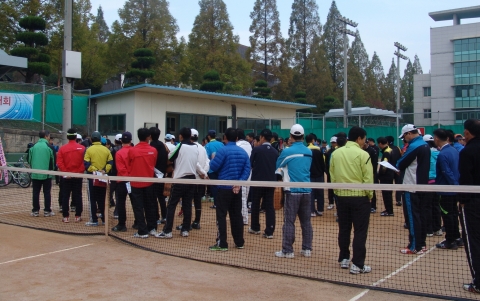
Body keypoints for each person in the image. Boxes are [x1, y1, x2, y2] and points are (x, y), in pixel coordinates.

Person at [330, 126, 373, 274]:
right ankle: (358, 264)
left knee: (344, 229)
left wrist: (337, 192)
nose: (365, 142)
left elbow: (332, 175)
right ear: (359, 138)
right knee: (360, 231)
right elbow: (368, 179)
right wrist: (370, 195)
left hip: (341, 197)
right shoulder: (363, 154)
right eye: (364, 139)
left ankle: (344, 259)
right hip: (360, 198)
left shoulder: (336, 153)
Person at [156, 127, 206, 238]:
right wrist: (204, 174)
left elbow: (170, 157)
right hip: (192, 179)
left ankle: (167, 231)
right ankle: (185, 229)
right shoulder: (196, 147)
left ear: (181, 136)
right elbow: (196, 164)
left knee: (171, 205)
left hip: (180, 180)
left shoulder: (180, 145)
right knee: (187, 205)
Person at [208, 128, 250, 251]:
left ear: (225, 137)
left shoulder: (222, 151)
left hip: (223, 188)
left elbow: (214, 166)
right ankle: (239, 242)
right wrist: (239, 183)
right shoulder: (243, 152)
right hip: (236, 189)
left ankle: (222, 243)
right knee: (236, 215)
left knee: (221, 216)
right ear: (237, 138)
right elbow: (247, 169)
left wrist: (212, 159)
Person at [275, 124, 313, 259]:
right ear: (303, 136)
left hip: (292, 191)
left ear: (291, 136)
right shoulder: (309, 152)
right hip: (307, 191)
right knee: (306, 221)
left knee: (289, 221)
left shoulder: (286, 152)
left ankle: (287, 250)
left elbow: (277, 166)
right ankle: (307, 249)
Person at [396, 124, 430, 255]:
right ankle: (421, 244)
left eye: (404, 137)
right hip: (421, 185)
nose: (404, 140)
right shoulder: (424, 144)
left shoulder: (414, 146)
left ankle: (415, 246)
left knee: (412, 217)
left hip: (411, 186)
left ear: (409, 134)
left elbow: (400, 163)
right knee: (420, 216)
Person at [458, 119, 480, 293]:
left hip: (473, 203)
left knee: (474, 241)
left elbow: (465, 179)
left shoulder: (467, 152)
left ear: (467, 133)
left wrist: (464, 200)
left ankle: (478, 282)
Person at [433, 129, 462, 250]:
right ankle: (456, 237)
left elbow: (446, 172)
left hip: (446, 190)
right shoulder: (454, 150)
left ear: (437, 139)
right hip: (453, 189)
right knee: (453, 214)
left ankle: (450, 240)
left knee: (447, 215)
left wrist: (453, 185)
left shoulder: (443, 154)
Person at [128, 128, 158, 238]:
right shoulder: (153, 150)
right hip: (148, 182)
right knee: (150, 206)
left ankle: (143, 231)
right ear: (148, 137)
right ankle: (151, 228)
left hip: (136, 183)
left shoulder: (132, 150)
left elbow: (129, 164)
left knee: (138, 207)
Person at [249, 129, 278, 239]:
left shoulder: (256, 150)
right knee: (269, 206)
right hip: (270, 183)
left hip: (257, 182)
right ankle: (269, 231)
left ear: (261, 137)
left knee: (255, 205)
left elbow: (250, 165)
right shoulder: (275, 152)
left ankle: (255, 227)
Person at [84, 131, 113, 226]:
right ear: (100, 139)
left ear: (91, 139)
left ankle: (94, 220)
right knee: (102, 199)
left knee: (92, 199)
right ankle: (104, 219)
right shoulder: (106, 150)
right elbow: (110, 162)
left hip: (92, 178)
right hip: (103, 177)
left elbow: (86, 164)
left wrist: (95, 170)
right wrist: (104, 170)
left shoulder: (89, 150)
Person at [57, 128, 85, 223]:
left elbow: (60, 163)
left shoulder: (62, 148)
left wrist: (66, 172)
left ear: (67, 136)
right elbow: (84, 163)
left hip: (66, 177)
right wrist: (78, 172)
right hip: (77, 176)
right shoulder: (82, 148)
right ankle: (78, 216)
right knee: (78, 195)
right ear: (76, 136)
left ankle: (65, 217)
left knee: (65, 196)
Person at [28, 130, 55, 217]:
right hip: (46, 174)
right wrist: (52, 170)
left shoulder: (33, 147)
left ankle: (35, 211)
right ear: (46, 136)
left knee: (35, 192)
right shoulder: (49, 147)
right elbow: (53, 161)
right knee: (47, 192)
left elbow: (29, 159)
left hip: (35, 174)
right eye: (49, 136)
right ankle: (47, 211)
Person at [111, 132, 134, 232]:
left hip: (122, 181)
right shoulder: (134, 151)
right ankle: (138, 222)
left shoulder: (119, 153)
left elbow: (120, 169)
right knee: (136, 203)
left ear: (121, 141)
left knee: (121, 203)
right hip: (133, 180)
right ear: (131, 140)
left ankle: (122, 224)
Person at [190, 128, 210, 229]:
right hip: (201, 179)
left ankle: (188, 222)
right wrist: (205, 173)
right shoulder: (202, 148)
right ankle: (197, 222)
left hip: (194, 178)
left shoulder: (190, 147)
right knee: (198, 201)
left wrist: (202, 173)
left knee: (188, 201)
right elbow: (207, 162)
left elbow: (195, 163)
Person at [149, 127, 169, 225]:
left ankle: (156, 217)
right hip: (162, 175)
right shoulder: (163, 145)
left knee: (153, 198)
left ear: (150, 136)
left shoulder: (151, 146)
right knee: (161, 197)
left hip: (153, 175)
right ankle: (164, 216)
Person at [423, 134, 442, 237]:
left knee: (427, 207)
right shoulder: (439, 152)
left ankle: (429, 230)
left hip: (428, 183)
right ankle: (437, 229)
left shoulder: (426, 153)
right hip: (437, 183)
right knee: (436, 205)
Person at [306, 134, 325, 217]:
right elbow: (322, 163)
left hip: (309, 175)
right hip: (319, 175)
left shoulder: (306, 151)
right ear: (313, 140)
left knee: (311, 193)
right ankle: (320, 210)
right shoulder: (319, 150)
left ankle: (311, 211)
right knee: (320, 193)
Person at [236, 128, 252, 225]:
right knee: (244, 197)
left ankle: (244, 218)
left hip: (241, 174)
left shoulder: (238, 145)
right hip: (249, 173)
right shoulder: (249, 145)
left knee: (242, 197)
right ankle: (243, 217)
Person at [205, 130, 224, 209]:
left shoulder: (208, 145)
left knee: (214, 187)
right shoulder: (221, 144)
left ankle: (216, 203)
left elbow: (206, 157)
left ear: (209, 136)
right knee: (221, 186)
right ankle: (221, 203)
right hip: (221, 169)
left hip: (212, 169)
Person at [377, 137, 395, 216]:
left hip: (386, 177)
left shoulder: (386, 152)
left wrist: (380, 174)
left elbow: (384, 165)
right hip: (390, 175)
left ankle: (389, 211)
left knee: (386, 194)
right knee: (388, 194)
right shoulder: (390, 150)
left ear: (380, 143)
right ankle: (389, 210)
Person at [363, 140, 378, 214]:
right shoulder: (361, 150)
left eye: (365, 144)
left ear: (367, 143)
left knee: (372, 190)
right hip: (363, 174)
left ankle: (373, 206)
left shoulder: (372, 151)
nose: (363, 145)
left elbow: (375, 164)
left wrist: (372, 173)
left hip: (372, 174)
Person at [325, 136, 338, 210]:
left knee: (337, 189)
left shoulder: (339, 151)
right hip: (330, 174)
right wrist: (327, 172)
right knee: (330, 189)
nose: (333, 144)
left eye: (334, 142)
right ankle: (331, 203)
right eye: (332, 142)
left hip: (337, 174)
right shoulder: (328, 152)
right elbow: (326, 163)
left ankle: (337, 204)